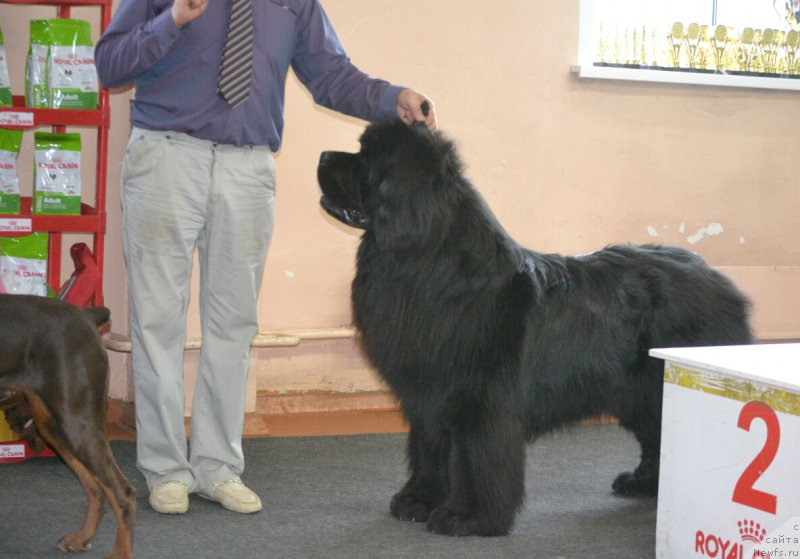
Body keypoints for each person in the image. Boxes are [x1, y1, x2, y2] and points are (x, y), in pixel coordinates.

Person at [95, 0, 436, 516]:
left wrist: (395, 100)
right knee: (156, 321)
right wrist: (173, 21)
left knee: (234, 323)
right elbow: (111, 64)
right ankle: (165, 470)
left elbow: (331, 76)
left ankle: (217, 467)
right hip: (166, 156)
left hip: (247, 166)